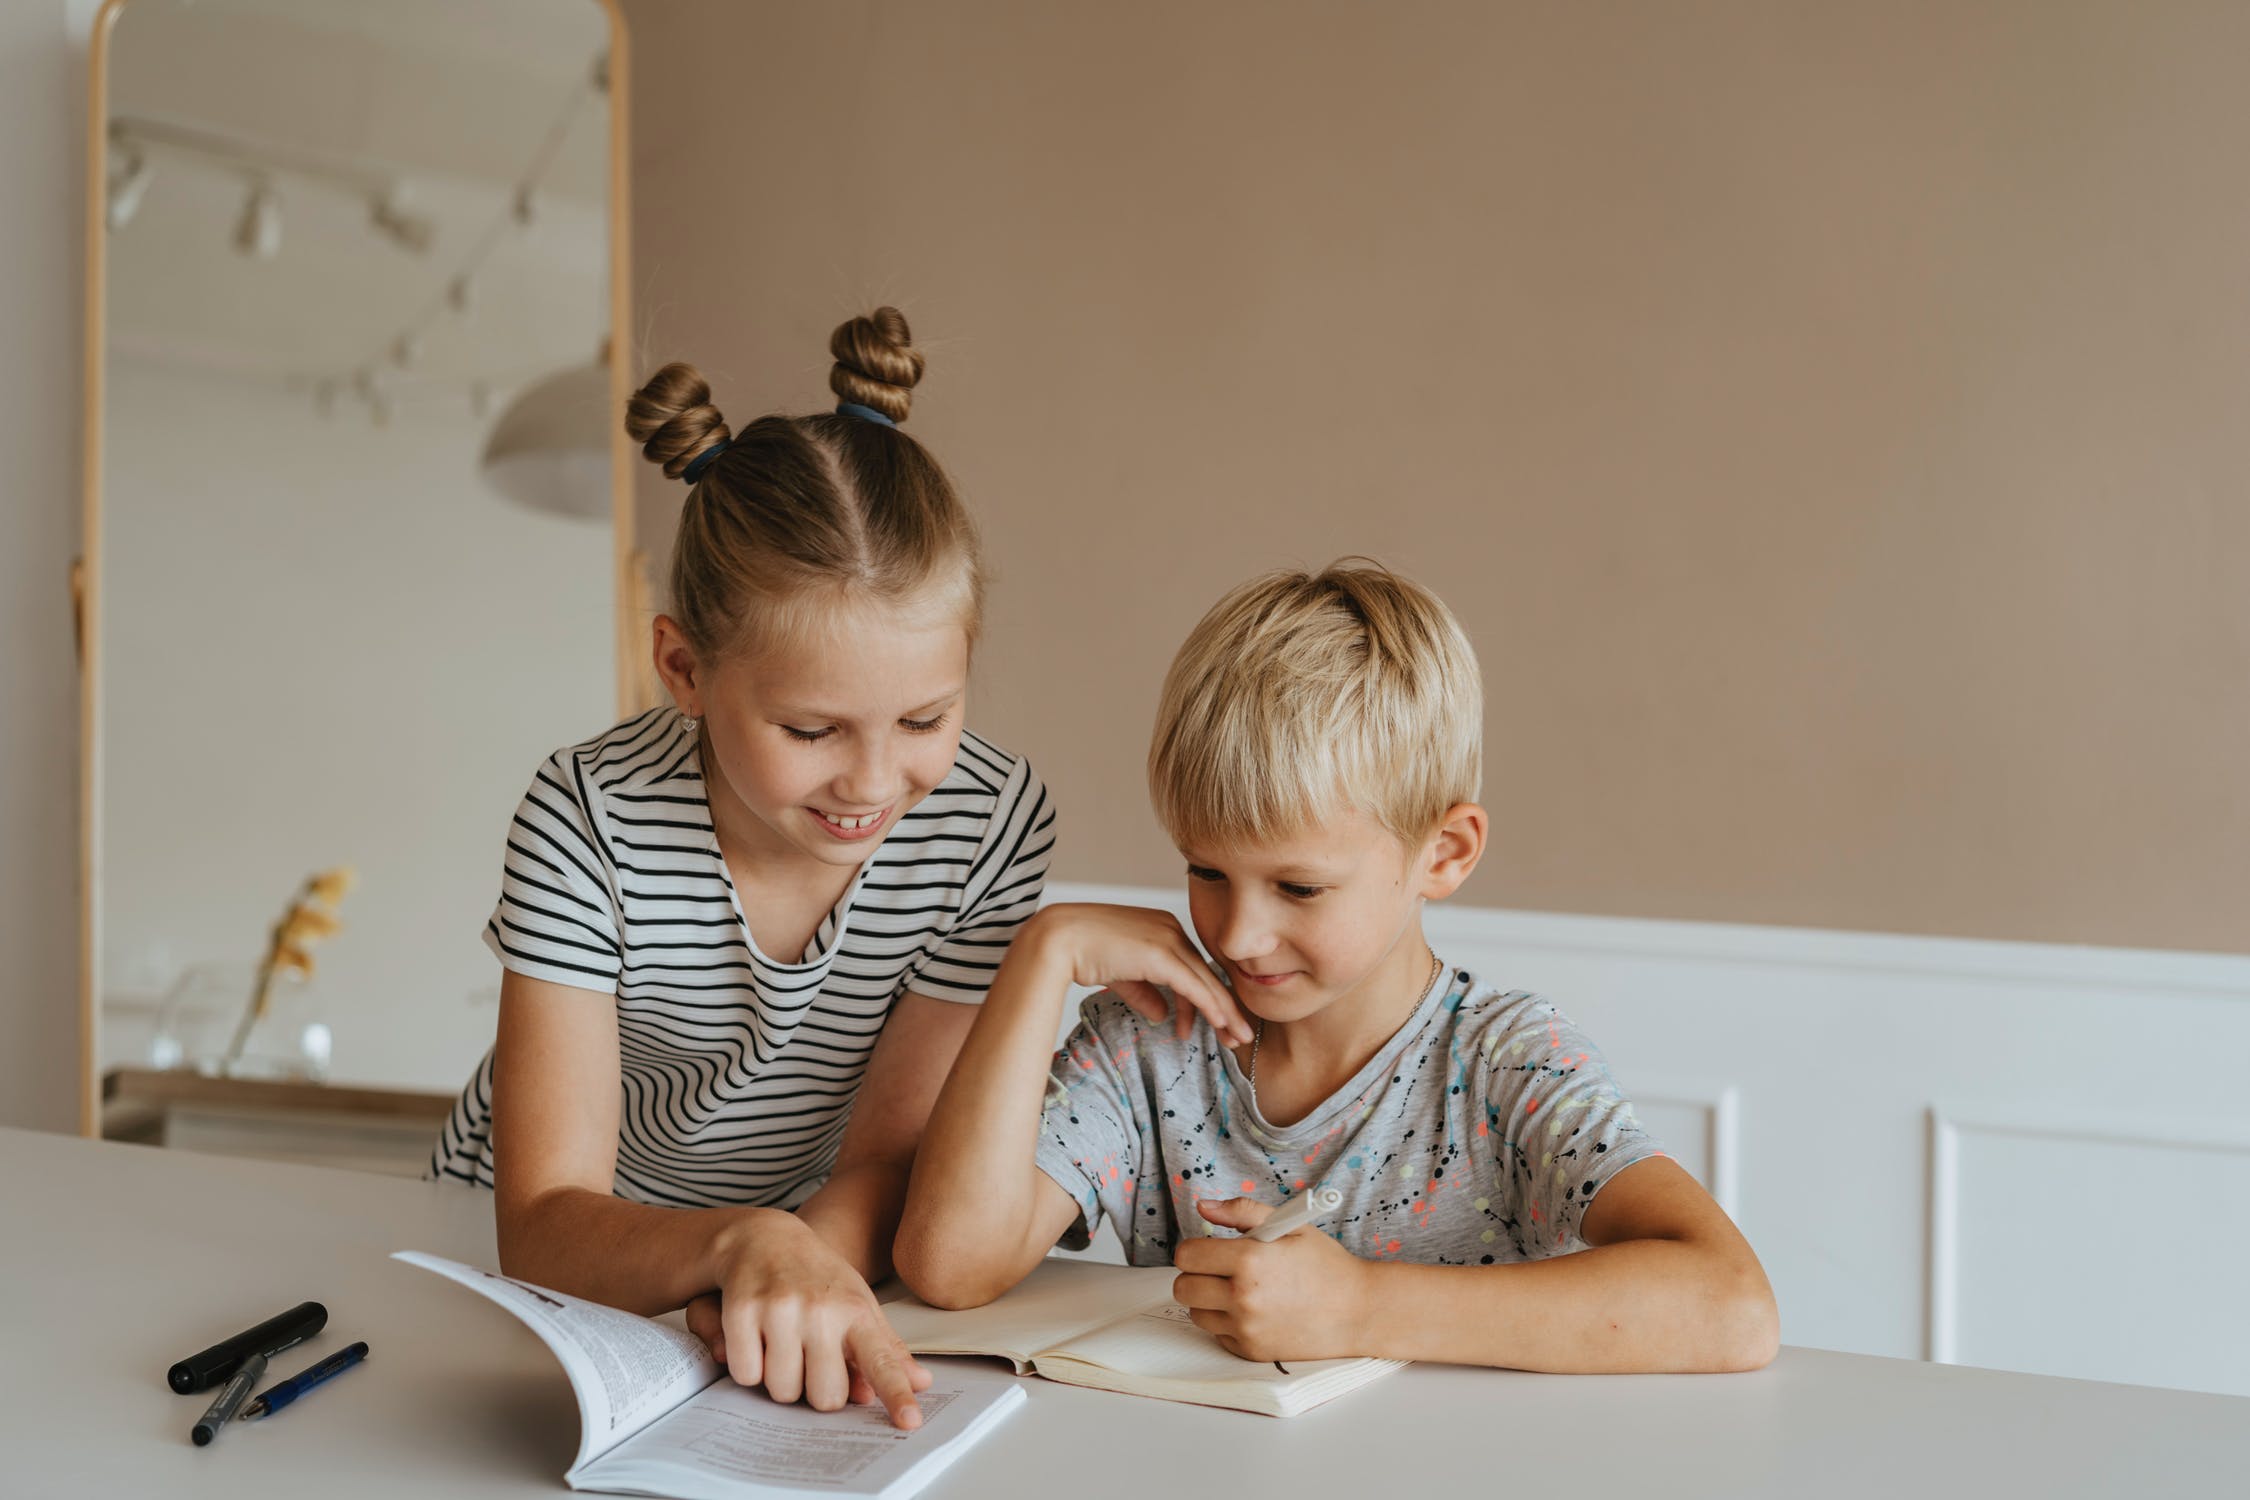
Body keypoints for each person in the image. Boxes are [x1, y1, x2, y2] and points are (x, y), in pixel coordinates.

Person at [896, 561, 1777, 1373]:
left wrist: (1359, 1307)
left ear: (1444, 853)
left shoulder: (1507, 1064)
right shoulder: (1147, 1045)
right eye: (1207, 871)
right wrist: (1041, 954)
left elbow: (1732, 1306)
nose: (1238, 935)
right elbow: (948, 1266)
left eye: (1300, 887)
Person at [429, 309, 1054, 1428]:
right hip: (556, 1251)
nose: (872, 782)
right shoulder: (587, 815)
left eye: (924, 717)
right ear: (682, 666)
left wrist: (788, 1269)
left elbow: (885, 1156)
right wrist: (743, 1251)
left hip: (793, 1249)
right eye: (812, 731)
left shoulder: (992, 821)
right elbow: (541, 1218)